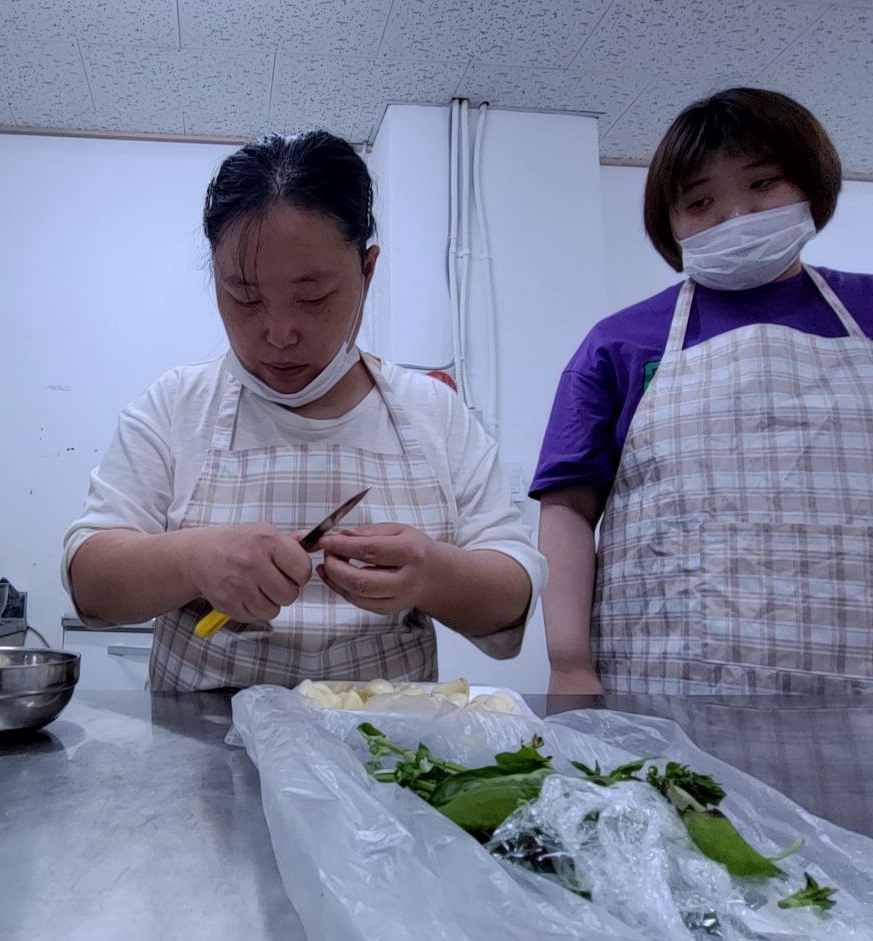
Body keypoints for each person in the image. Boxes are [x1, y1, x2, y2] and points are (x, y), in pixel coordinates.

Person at [63, 130, 546, 692]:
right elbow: (90, 583)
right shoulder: (175, 406)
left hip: (382, 759)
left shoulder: (433, 412)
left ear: (367, 271)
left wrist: (434, 576)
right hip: (200, 762)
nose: (279, 333)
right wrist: (193, 560)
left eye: (313, 297)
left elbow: (512, 593)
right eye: (244, 297)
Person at [532, 88, 873, 696]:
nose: (736, 218)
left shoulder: (868, 311)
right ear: (670, 224)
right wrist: (568, 664)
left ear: (810, 187)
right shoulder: (619, 344)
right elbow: (567, 508)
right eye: (701, 201)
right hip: (675, 678)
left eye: (764, 185)